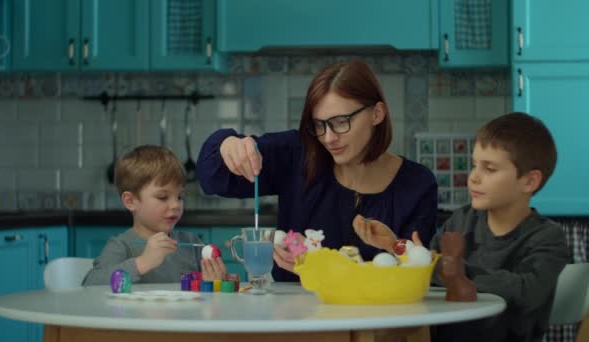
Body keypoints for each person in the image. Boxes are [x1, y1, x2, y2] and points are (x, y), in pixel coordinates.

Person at [197, 59, 438, 282]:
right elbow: (211, 177)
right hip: (295, 319)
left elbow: (414, 271)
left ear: (377, 114)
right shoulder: (298, 154)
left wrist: (325, 265)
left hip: (375, 321)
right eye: (319, 125)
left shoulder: (416, 184)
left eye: (341, 121)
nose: (329, 137)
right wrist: (227, 144)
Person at [355, 112, 570, 342]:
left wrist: (455, 271)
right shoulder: (462, 220)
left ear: (529, 181)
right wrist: (393, 244)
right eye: (474, 165)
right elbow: (430, 270)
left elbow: (526, 292)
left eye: (489, 169)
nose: (473, 177)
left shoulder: (547, 237)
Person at [83, 145, 226, 285]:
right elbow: (90, 283)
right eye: (163, 197)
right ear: (131, 201)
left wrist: (215, 283)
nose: (176, 205)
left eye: (180, 197)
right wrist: (143, 262)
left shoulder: (193, 244)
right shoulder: (122, 246)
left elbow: (211, 299)